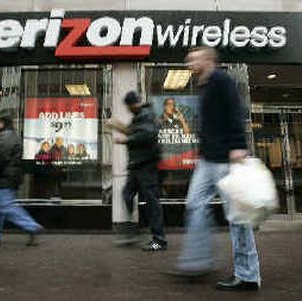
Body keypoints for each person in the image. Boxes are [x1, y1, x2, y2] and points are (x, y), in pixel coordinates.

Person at [169, 47, 261, 291]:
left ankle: (248, 275)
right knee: (194, 205)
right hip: (207, 160)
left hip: (226, 160)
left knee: (238, 217)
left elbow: (235, 111)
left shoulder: (221, 80)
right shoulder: (205, 84)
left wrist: (238, 146)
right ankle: (198, 262)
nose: (189, 61)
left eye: (194, 58)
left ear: (207, 60)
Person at [106, 91, 167, 251]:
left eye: (129, 105)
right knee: (127, 194)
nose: (128, 108)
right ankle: (133, 233)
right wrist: (117, 126)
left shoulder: (146, 114)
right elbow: (134, 131)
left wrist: (126, 139)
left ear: (133, 104)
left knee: (152, 201)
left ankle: (159, 240)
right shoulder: (138, 116)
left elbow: (149, 134)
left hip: (146, 165)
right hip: (136, 165)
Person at [0, 114, 43, 247]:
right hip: (9, 176)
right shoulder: (12, 136)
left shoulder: (5, 137)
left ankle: (32, 226)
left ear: (2, 124)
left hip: (5, 177)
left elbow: (0, 157)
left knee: (7, 206)